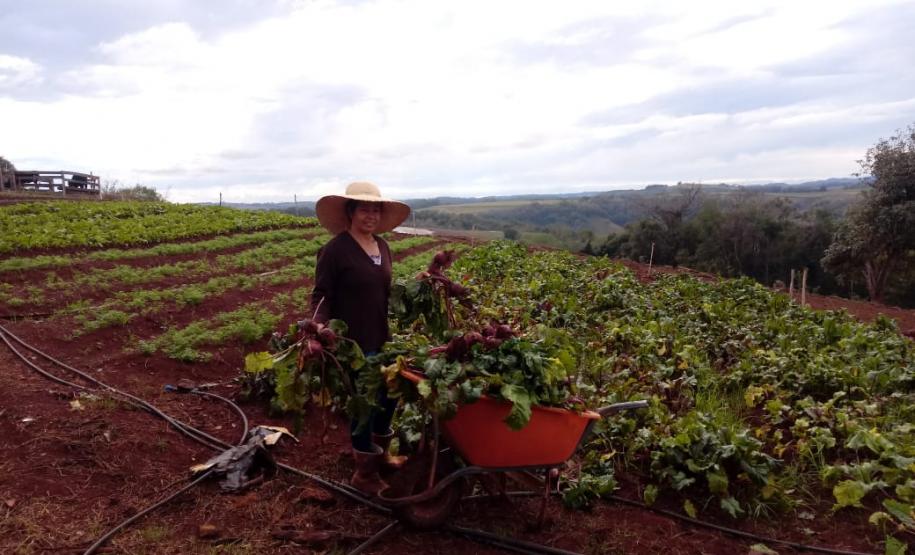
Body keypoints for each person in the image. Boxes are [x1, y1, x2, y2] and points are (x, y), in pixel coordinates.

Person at [311, 181, 410, 495]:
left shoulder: (382, 246)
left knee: (390, 397)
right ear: (351, 212)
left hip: (381, 336)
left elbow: (383, 291)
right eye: (364, 208)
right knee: (363, 405)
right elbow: (321, 296)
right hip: (353, 342)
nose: (371, 215)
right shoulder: (336, 250)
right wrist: (318, 328)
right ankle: (364, 473)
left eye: (376, 209)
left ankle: (380, 454)